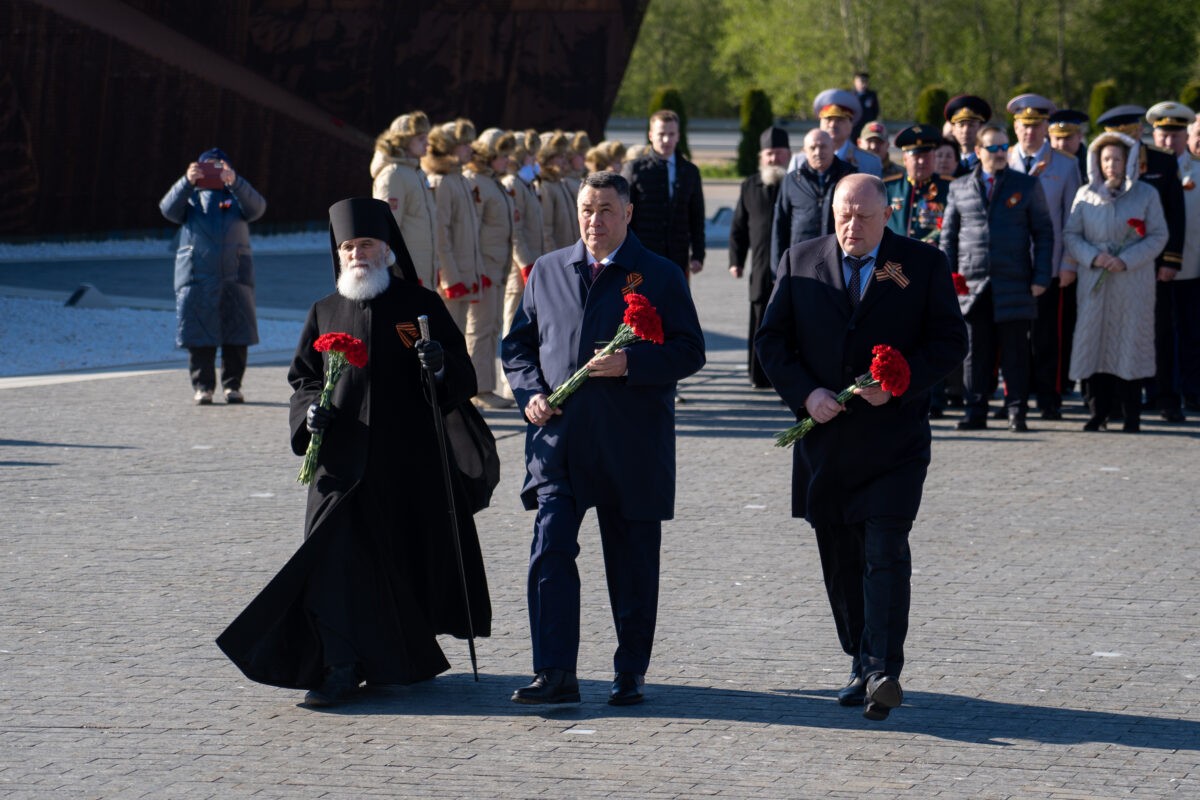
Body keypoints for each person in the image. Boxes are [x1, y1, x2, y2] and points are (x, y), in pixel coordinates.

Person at [216, 197, 491, 707]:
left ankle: (390, 658)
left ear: (386, 250)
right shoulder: (324, 310)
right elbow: (303, 379)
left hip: (405, 463)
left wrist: (437, 367)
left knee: (394, 564)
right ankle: (338, 665)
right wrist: (308, 415)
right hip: (338, 466)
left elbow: (462, 375)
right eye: (348, 247)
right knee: (331, 561)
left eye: (365, 244)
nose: (356, 254)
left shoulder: (421, 306)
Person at [755, 174, 968, 721]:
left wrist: (900, 382)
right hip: (826, 442)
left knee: (885, 552)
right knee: (841, 558)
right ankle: (859, 657)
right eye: (843, 215)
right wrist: (806, 393)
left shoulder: (920, 263)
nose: (852, 226)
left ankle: (882, 669)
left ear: (887, 214)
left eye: (864, 217)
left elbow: (950, 341)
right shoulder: (801, 260)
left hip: (893, 441)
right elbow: (771, 341)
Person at [501, 172, 705, 706]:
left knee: (632, 563)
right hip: (560, 445)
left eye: (607, 210)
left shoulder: (657, 274)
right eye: (587, 209)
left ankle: (630, 670)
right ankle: (554, 672)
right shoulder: (546, 270)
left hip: (630, 447)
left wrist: (630, 364)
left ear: (629, 213)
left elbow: (690, 351)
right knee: (549, 552)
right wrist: (528, 395)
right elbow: (518, 346)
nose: (595, 220)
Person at [940, 124, 1054, 431]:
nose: (1000, 153)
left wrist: (1042, 275)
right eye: (993, 148)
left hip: (1014, 281)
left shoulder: (1025, 185)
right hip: (972, 283)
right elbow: (948, 238)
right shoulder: (959, 187)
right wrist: (949, 278)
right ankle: (975, 411)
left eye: (1004, 147)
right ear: (978, 151)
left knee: (1016, 353)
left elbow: (1043, 233)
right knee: (975, 354)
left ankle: (1017, 411)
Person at [1061, 133, 1168, 432]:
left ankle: (1131, 414)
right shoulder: (1085, 194)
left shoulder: (1146, 194)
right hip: (1096, 279)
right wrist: (1095, 257)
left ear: (1129, 161)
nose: (1111, 165)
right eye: (1106, 159)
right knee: (1094, 343)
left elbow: (1159, 235)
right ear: (1097, 161)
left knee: (1129, 344)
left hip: (1132, 281)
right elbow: (1072, 234)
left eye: (1117, 159)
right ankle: (1099, 411)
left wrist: (1127, 259)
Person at [1096, 105, 1187, 421]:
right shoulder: (1102, 163)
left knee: (1159, 331)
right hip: (1112, 264)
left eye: (1131, 130)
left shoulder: (1161, 160)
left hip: (1152, 263)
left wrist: (1171, 259)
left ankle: (1165, 397)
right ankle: (1120, 401)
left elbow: (1176, 213)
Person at [160, 147, 266, 405]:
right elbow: (167, 209)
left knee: (236, 332)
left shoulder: (237, 198)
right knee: (199, 334)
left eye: (219, 167)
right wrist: (186, 181)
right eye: (206, 166)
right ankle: (203, 387)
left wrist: (236, 182)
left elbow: (258, 208)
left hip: (235, 276)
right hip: (197, 276)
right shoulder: (191, 199)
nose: (213, 172)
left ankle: (233, 386)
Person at [1006, 94, 1083, 420]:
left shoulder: (1065, 164)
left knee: (1047, 335)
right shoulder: (1003, 159)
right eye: (1024, 126)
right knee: (1012, 337)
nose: (1030, 132)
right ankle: (1015, 399)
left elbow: (1072, 218)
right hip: (1009, 265)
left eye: (1037, 126)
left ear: (1045, 128)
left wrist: (1068, 263)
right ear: (1015, 127)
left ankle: (1049, 398)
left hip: (1048, 265)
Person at [730, 125, 791, 388]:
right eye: (769, 154)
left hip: (791, 270)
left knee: (790, 325)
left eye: (778, 153)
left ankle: (785, 377)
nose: (774, 159)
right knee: (759, 322)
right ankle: (759, 376)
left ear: (788, 155)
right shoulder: (749, 186)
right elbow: (738, 227)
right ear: (761, 157)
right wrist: (736, 261)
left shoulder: (796, 184)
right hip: (760, 268)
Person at [1148, 102, 1200, 414]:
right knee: (1157, 333)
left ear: (1185, 135)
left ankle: (1192, 391)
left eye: (1176, 134)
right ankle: (1157, 391)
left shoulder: (1197, 168)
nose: (1169, 141)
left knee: (1192, 332)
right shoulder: (1146, 168)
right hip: (1154, 267)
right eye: (1163, 134)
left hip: (1193, 266)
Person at [463, 128, 518, 409]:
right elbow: (472, 230)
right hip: (484, 268)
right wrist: (478, 268)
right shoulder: (475, 182)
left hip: (498, 267)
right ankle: (478, 389)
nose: (507, 160)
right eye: (501, 155)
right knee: (480, 328)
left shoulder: (492, 182)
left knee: (491, 326)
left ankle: (485, 384)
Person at [623, 109, 706, 278]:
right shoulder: (634, 169)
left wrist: (698, 254)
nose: (666, 140)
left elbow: (696, 215)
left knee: (675, 303)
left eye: (671, 134)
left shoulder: (689, 171)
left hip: (677, 256)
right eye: (661, 134)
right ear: (651, 135)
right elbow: (623, 215)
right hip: (643, 255)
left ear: (678, 136)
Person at [424, 118, 484, 331]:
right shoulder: (441, 182)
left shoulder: (460, 179)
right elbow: (440, 234)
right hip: (453, 282)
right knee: (448, 338)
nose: (471, 149)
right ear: (449, 148)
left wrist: (477, 272)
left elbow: (468, 233)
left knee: (460, 338)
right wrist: (450, 279)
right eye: (464, 144)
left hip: (465, 277)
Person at [370, 110, 438, 288]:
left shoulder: (417, 173)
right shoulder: (394, 174)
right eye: (421, 138)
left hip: (423, 270)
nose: (427, 143)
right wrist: (399, 274)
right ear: (405, 140)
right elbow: (387, 228)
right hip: (406, 272)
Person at [771, 129, 855, 269]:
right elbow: (780, 224)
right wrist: (777, 268)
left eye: (823, 147)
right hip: (801, 261)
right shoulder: (792, 181)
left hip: (839, 261)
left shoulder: (850, 177)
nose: (818, 152)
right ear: (805, 151)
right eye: (812, 148)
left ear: (833, 147)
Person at [790, 89, 882, 178]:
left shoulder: (869, 162)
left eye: (840, 120)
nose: (832, 124)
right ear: (820, 122)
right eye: (828, 119)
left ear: (851, 125)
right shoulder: (799, 160)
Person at [885, 125, 950, 244]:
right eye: (916, 156)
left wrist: (936, 239)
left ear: (934, 157)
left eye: (926, 156)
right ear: (905, 159)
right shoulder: (889, 187)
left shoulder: (948, 187)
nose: (921, 161)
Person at [538, 130, 579, 251]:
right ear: (547, 158)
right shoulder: (545, 186)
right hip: (558, 260)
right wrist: (554, 261)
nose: (564, 161)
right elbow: (546, 231)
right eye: (560, 156)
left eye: (565, 156)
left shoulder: (561, 183)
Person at [944, 95, 992, 176]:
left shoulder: (990, 158)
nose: (966, 130)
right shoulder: (945, 159)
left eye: (971, 125)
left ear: (981, 128)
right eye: (961, 125)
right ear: (953, 129)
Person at [1048, 109, 1089, 181]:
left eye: (1067, 138)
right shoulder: (1042, 163)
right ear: (1050, 137)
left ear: (1079, 136)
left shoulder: (1091, 164)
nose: (1062, 144)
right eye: (1057, 138)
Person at [851, 72, 880, 142]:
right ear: (855, 82)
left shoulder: (871, 95)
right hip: (854, 127)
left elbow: (875, 110)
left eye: (866, 81)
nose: (864, 84)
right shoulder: (850, 95)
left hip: (867, 127)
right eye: (861, 81)